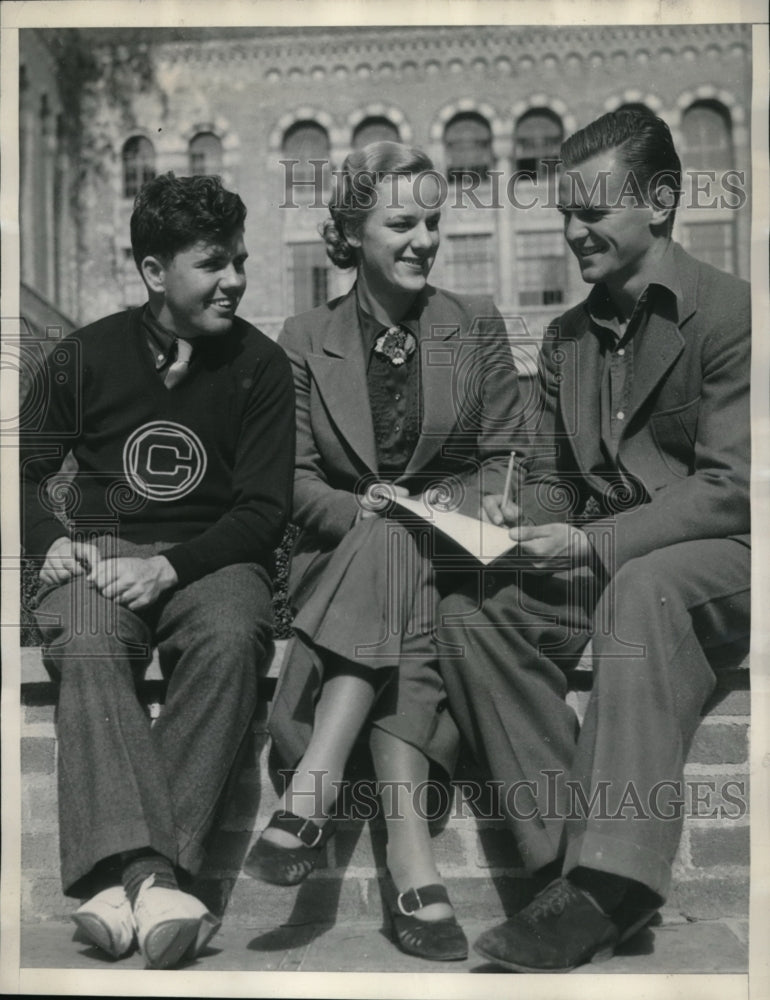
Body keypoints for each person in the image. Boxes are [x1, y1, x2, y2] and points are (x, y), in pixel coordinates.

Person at [437, 108, 751, 972]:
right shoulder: (568, 340)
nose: (572, 232)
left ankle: (612, 888)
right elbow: (551, 477)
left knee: (641, 588)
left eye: (592, 212)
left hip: (721, 565)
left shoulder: (732, 315)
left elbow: (732, 491)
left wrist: (589, 545)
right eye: (564, 213)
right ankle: (562, 876)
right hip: (609, 566)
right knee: (476, 616)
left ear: (659, 200)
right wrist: (522, 515)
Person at [245, 141, 526, 961]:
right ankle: (413, 863)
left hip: (457, 553)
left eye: (434, 222)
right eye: (401, 221)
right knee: (389, 542)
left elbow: (507, 454)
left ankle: (311, 788)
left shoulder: (472, 324)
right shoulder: (304, 336)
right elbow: (290, 479)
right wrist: (357, 509)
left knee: (404, 536)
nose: (424, 239)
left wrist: (460, 502)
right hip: (344, 560)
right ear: (351, 234)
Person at [20, 173, 295, 969]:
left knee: (234, 634)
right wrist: (49, 540)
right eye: (213, 264)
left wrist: (172, 569)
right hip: (102, 558)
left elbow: (264, 510)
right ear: (152, 272)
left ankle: (122, 885)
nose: (235, 279)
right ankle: (159, 881)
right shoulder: (85, 355)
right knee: (88, 634)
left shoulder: (262, 366)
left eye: (239, 260)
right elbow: (24, 469)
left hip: (213, 560)